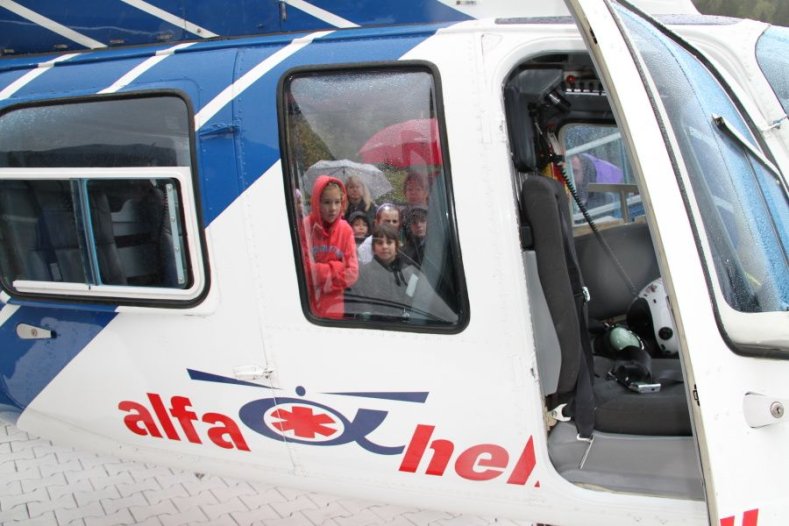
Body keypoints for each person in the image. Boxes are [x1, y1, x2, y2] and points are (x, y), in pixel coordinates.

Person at [346, 223, 454, 322]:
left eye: (389, 242)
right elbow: (360, 305)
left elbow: (421, 300)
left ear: (397, 246)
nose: (385, 246)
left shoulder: (410, 273)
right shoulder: (363, 273)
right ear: (373, 248)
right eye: (379, 243)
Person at [301, 175, 359, 319]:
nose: (333, 208)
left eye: (337, 202)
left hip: (334, 309)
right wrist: (337, 267)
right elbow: (303, 270)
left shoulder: (345, 230)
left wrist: (324, 283)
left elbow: (352, 273)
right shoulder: (305, 227)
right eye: (327, 202)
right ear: (317, 202)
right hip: (307, 307)